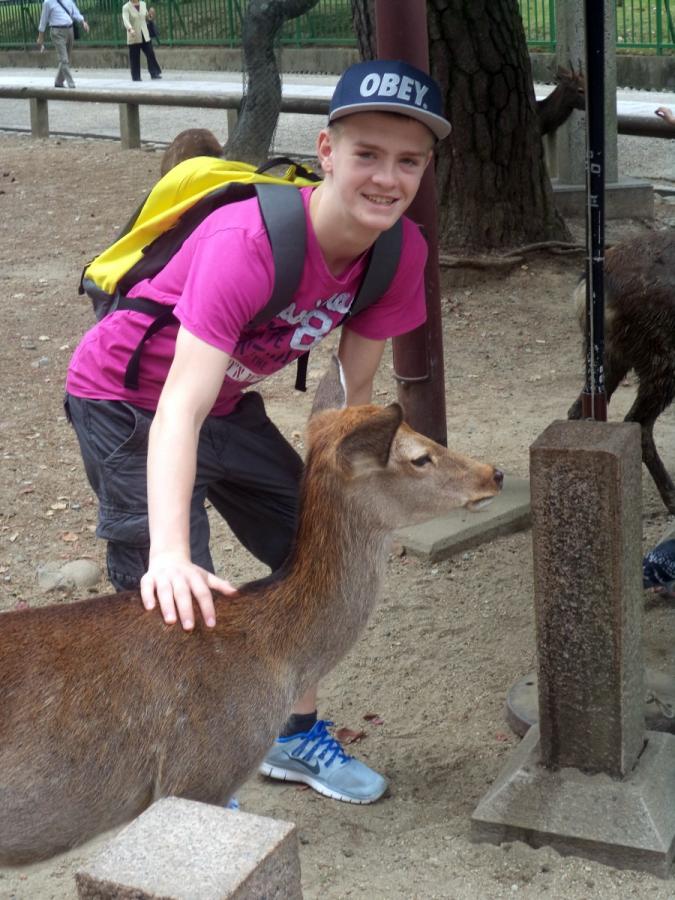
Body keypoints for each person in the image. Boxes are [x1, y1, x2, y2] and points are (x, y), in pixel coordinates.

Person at [65, 60, 451, 805]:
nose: (386, 178)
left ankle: (293, 736)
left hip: (225, 400)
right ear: (328, 152)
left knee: (314, 552)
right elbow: (178, 406)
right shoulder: (246, 241)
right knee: (177, 595)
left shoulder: (398, 253)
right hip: (125, 397)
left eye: (408, 161)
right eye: (367, 154)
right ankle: (188, 788)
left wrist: (350, 498)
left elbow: (354, 402)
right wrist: (169, 553)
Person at [36, 0, 90, 89]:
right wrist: (40, 37)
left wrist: (83, 21)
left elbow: (75, 12)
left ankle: (58, 81)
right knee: (64, 59)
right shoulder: (48, 2)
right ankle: (71, 84)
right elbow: (43, 20)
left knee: (67, 58)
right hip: (57, 31)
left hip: (70, 30)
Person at [122, 0, 162, 82]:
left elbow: (147, 18)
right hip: (134, 34)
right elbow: (125, 20)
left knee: (150, 53)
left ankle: (154, 73)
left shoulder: (143, 4)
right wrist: (130, 29)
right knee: (134, 56)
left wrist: (151, 15)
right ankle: (136, 76)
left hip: (144, 34)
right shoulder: (126, 7)